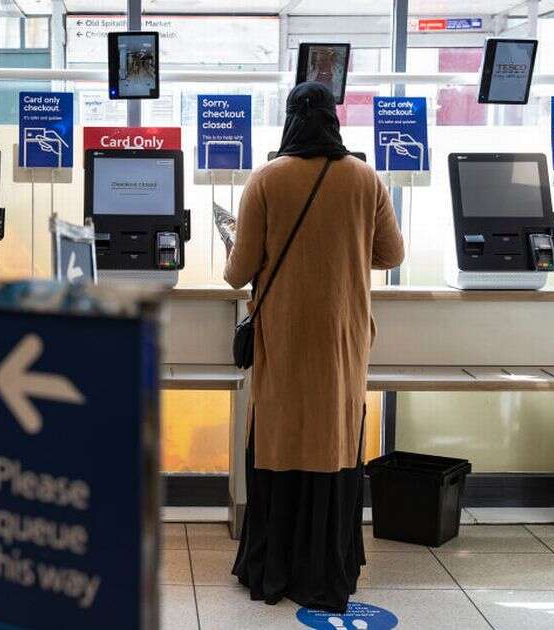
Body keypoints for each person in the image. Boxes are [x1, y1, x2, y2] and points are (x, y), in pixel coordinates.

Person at [224, 81, 404, 612]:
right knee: (333, 439)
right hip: (342, 340)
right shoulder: (364, 179)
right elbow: (390, 255)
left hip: (283, 337)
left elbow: (238, 273)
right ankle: (328, 569)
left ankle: (272, 568)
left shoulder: (267, 179)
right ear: (335, 120)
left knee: (280, 439)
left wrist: (234, 245)